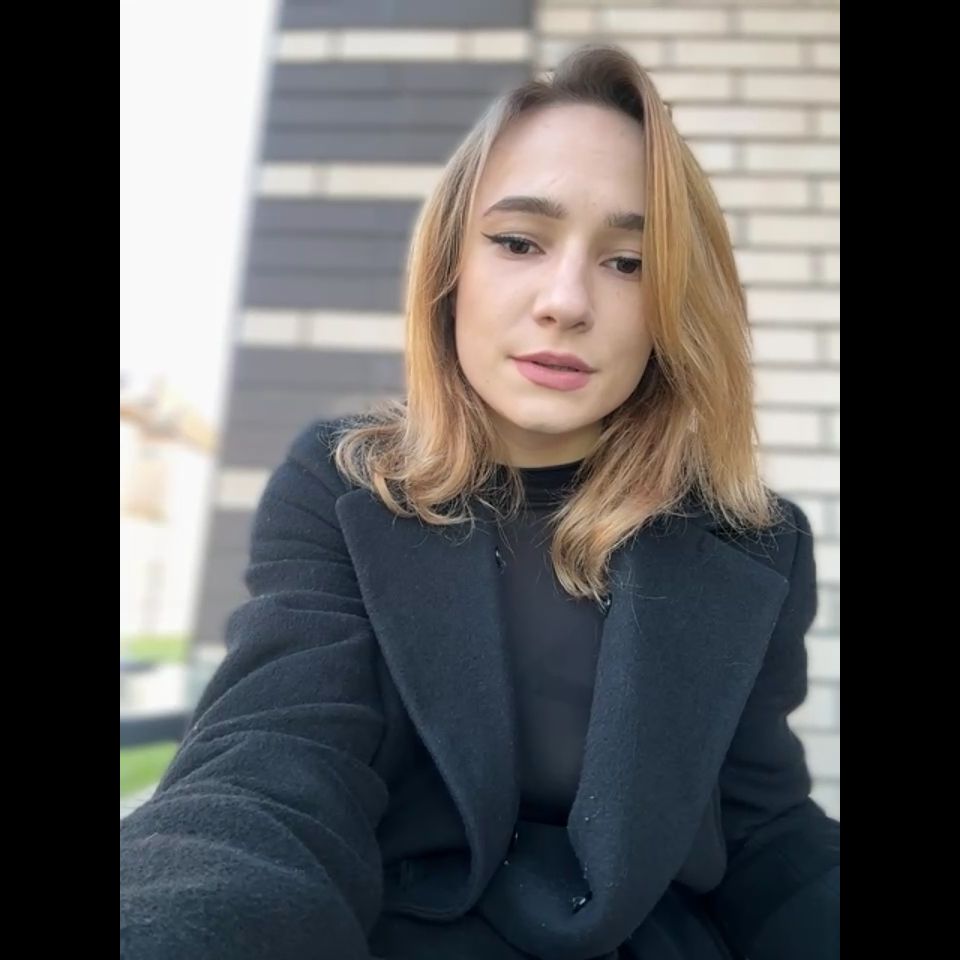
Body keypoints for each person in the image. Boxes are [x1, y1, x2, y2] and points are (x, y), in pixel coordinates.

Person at [120, 43, 840, 960]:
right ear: (449, 267)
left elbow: (763, 831)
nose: (566, 301)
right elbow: (273, 769)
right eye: (518, 242)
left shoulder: (755, 542)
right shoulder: (342, 484)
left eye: (629, 262)